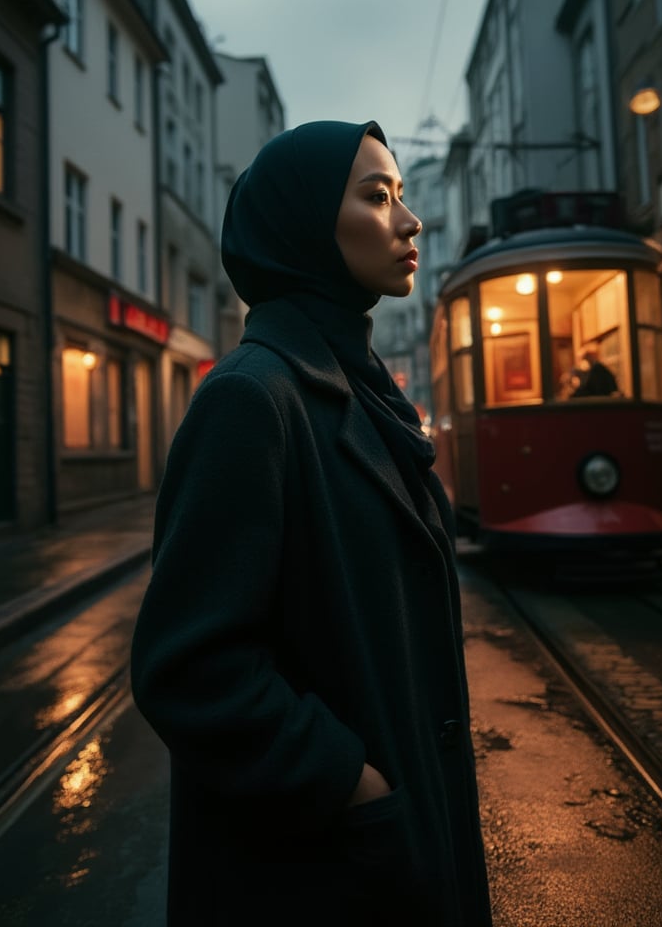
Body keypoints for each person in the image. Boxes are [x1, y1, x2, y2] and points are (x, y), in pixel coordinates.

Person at [131, 120, 493, 927]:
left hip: (388, 843)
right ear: (303, 225)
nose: (410, 220)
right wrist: (347, 782)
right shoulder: (253, 398)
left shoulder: (360, 389)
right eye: (376, 196)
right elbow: (188, 669)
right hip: (319, 876)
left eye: (402, 194)